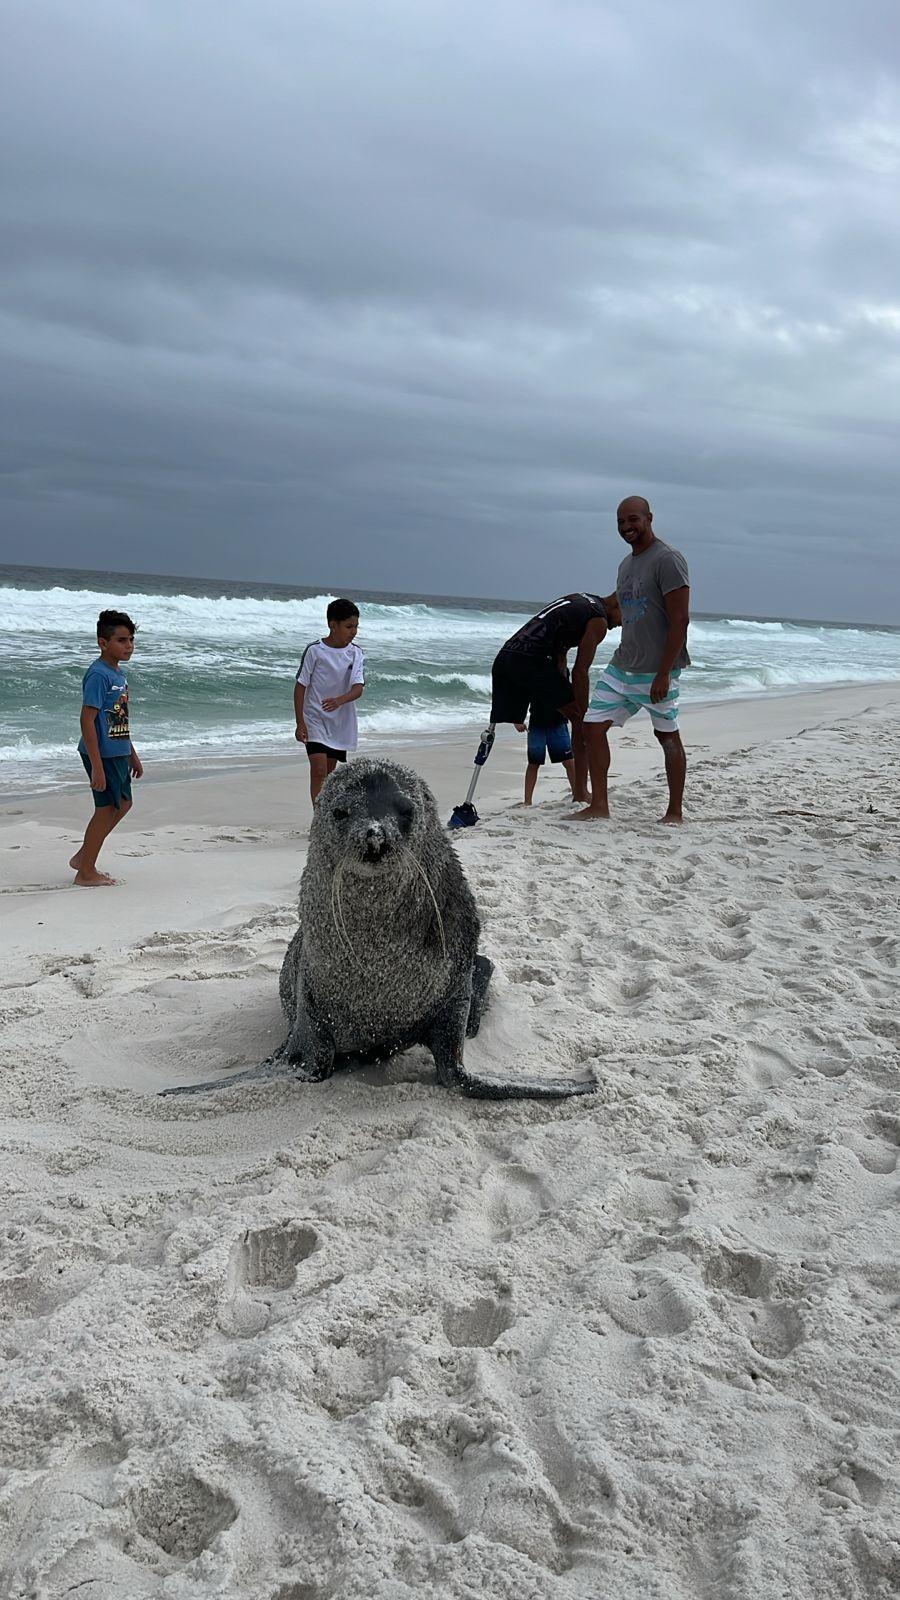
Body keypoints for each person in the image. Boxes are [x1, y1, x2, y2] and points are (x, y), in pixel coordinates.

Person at [571, 496, 690, 825]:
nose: (627, 527)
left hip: (657, 669)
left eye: (633, 520)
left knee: (667, 736)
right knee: (591, 728)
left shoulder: (668, 560)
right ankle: (599, 805)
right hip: (623, 665)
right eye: (621, 522)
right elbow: (622, 606)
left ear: (649, 518)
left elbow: (680, 620)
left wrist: (664, 673)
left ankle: (674, 812)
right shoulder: (625, 565)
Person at [491, 592, 621, 802]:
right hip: (532, 661)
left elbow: (557, 627)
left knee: (499, 722)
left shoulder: (582, 598)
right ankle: (580, 792)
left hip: (507, 656)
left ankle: (578, 790)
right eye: (626, 617)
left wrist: (560, 660)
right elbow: (580, 671)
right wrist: (583, 711)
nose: (623, 624)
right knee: (582, 721)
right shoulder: (599, 621)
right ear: (619, 603)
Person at [71, 608, 143, 887]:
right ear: (103, 643)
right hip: (101, 753)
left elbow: (118, 718)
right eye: (122, 640)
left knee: (124, 803)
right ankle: (85, 872)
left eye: (131, 640)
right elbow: (87, 719)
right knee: (106, 808)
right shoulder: (99, 675)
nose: (129, 646)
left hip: (118, 751)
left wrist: (132, 754)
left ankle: (84, 856)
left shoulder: (118, 674)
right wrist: (97, 767)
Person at [294, 598, 365, 804]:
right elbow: (300, 686)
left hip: (339, 722)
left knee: (330, 777)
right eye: (349, 626)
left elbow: (358, 688)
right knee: (318, 770)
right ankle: (318, 822)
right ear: (332, 625)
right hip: (314, 717)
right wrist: (300, 722)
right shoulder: (315, 650)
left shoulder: (356, 653)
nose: (354, 631)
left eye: (356, 626)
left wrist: (339, 701)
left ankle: (327, 819)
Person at [523, 657, 579, 805]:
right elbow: (523, 697)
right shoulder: (532, 673)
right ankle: (527, 801)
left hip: (558, 722)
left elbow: (570, 694)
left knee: (569, 762)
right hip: (537, 723)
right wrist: (518, 720)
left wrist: (576, 714)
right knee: (534, 763)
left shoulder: (562, 671)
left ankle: (577, 793)